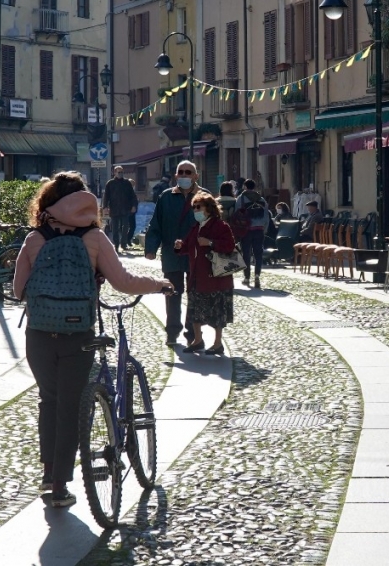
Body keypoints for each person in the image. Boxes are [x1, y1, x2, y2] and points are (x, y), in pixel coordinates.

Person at [12, 172, 173, 508]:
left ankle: (47, 472)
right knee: (71, 407)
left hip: (40, 335)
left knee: (49, 401)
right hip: (78, 333)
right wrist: (159, 284)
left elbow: (17, 290)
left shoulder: (34, 238)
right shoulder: (95, 238)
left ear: (48, 201)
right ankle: (59, 486)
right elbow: (124, 281)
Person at [144, 160, 209, 346]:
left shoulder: (205, 196)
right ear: (175, 176)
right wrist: (151, 248)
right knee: (172, 293)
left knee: (195, 295)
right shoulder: (166, 197)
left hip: (197, 255)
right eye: (181, 172)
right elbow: (156, 224)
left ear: (196, 176)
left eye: (188, 172)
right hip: (172, 254)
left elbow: (215, 224)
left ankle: (192, 334)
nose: (184, 175)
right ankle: (172, 332)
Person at [174, 192, 235, 356]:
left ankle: (217, 343)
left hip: (215, 277)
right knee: (194, 309)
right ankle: (198, 339)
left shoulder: (220, 226)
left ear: (208, 209)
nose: (195, 210)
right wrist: (180, 246)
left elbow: (229, 246)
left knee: (217, 311)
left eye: (198, 207)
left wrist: (211, 243)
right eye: (194, 208)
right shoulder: (195, 227)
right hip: (196, 275)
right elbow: (188, 247)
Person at [234, 179, 268, 289]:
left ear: (245, 186)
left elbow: (237, 214)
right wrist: (264, 229)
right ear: (254, 187)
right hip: (259, 230)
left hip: (246, 230)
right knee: (258, 254)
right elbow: (266, 217)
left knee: (246, 254)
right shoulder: (261, 199)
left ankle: (247, 277)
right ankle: (257, 276)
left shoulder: (241, 198)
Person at [102, 166, 137, 253]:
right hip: (114, 209)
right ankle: (116, 245)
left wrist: (134, 206)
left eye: (121, 172)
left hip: (125, 208)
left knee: (125, 227)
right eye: (119, 172)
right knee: (115, 228)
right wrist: (105, 207)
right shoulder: (110, 183)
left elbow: (132, 196)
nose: (120, 174)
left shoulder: (127, 183)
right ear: (115, 173)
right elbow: (106, 196)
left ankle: (123, 243)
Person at [126, 178, 138, 248]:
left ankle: (128, 240)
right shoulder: (128, 192)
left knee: (132, 226)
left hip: (132, 212)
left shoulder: (132, 191)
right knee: (130, 226)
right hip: (129, 211)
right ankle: (127, 240)